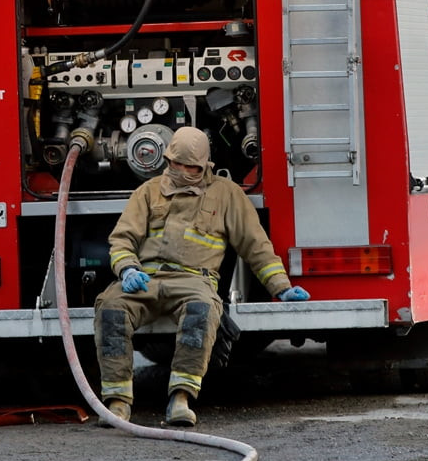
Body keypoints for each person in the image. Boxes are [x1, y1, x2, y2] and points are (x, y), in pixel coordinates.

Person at [94, 126, 310, 428]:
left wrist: (281, 288)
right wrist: (128, 268)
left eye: (189, 167)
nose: (180, 172)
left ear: (204, 164)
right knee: (111, 308)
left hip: (195, 282)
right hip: (146, 279)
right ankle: (117, 404)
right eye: (174, 164)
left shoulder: (226, 195)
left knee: (202, 312)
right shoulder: (148, 192)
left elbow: (255, 246)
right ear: (167, 160)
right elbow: (122, 240)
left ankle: (181, 399)